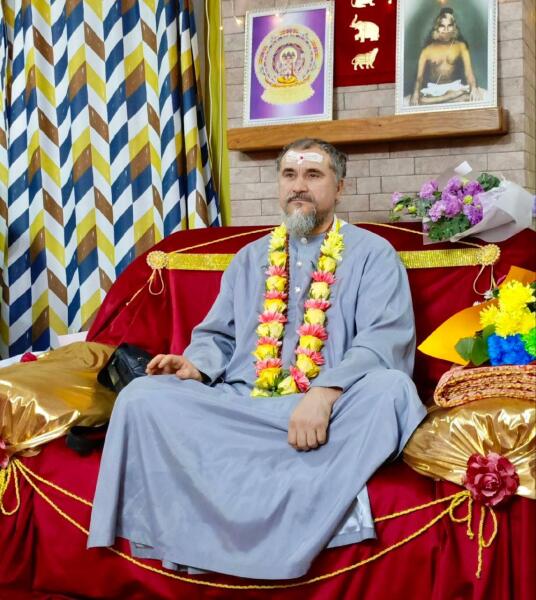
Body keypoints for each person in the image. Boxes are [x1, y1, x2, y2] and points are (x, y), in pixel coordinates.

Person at [88, 138, 426, 580]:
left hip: (328, 412)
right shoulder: (250, 258)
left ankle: (280, 507)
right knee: (142, 397)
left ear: (339, 187)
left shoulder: (373, 254)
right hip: (244, 407)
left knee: (391, 390)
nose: (299, 186)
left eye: (313, 175)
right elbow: (219, 335)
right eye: (289, 175)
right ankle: (285, 474)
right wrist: (195, 366)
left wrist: (324, 393)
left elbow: (383, 339)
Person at [410, 7, 484, 106]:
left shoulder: (461, 46)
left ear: (454, 27)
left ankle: (446, 98)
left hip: (454, 86)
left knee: (470, 97)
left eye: (449, 26)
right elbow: (419, 78)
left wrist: (474, 87)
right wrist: (415, 93)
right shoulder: (427, 50)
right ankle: (450, 97)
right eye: (442, 26)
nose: (446, 30)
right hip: (434, 88)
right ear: (437, 28)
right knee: (421, 100)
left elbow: (469, 73)